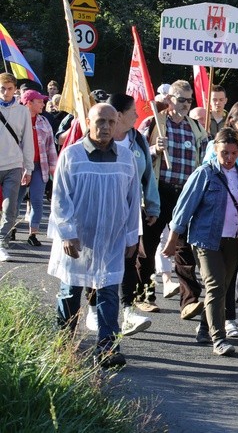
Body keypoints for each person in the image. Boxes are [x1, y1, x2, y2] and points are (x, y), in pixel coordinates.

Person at [47, 103, 140, 368]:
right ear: (88, 122)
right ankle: (63, 347)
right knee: (70, 292)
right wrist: (66, 233)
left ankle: (108, 349)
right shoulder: (73, 155)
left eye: (111, 122)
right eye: (100, 121)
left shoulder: (126, 157)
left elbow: (133, 200)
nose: (105, 127)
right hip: (78, 240)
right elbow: (60, 198)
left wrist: (132, 236)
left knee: (108, 292)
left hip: (111, 238)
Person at [84, 93, 160, 336]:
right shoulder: (90, 144)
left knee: (127, 259)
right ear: (118, 114)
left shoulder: (137, 140)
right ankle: (93, 310)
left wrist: (152, 204)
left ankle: (127, 311)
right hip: (95, 211)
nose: (137, 116)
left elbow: (147, 174)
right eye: (133, 112)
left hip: (128, 212)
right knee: (94, 261)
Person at [163, 128, 238, 356]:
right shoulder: (204, 173)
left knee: (223, 287)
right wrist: (172, 238)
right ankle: (219, 339)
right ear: (215, 150)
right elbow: (183, 208)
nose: (229, 158)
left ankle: (204, 327)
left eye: (233, 153)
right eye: (224, 153)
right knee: (216, 285)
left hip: (233, 240)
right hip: (206, 239)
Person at [139, 80, 208, 318]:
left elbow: (205, 159)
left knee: (185, 246)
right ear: (169, 99)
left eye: (189, 100)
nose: (186, 105)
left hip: (186, 193)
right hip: (159, 190)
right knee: (148, 244)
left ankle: (189, 300)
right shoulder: (153, 123)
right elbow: (135, 155)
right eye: (181, 100)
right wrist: (154, 150)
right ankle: (144, 296)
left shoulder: (197, 128)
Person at [201, 100, 238, 337]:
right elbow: (208, 176)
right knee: (223, 275)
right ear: (232, 122)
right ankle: (221, 321)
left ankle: (228, 307)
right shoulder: (216, 147)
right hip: (223, 218)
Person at [11, 89, 57, 247]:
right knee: (15, 201)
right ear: (29, 103)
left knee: (37, 200)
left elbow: (51, 145)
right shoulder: (16, 120)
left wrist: (53, 167)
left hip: (40, 166)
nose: (43, 103)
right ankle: (10, 228)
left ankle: (33, 234)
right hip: (19, 166)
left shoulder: (44, 121)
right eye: (39, 101)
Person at [0, 72, 34, 262]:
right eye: (2, 89)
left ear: (15, 89)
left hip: (13, 165)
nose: (6, 92)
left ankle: (2, 243)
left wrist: (28, 169)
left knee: (10, 208)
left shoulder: (22, 111)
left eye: (9, 88)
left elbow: (28, 141)